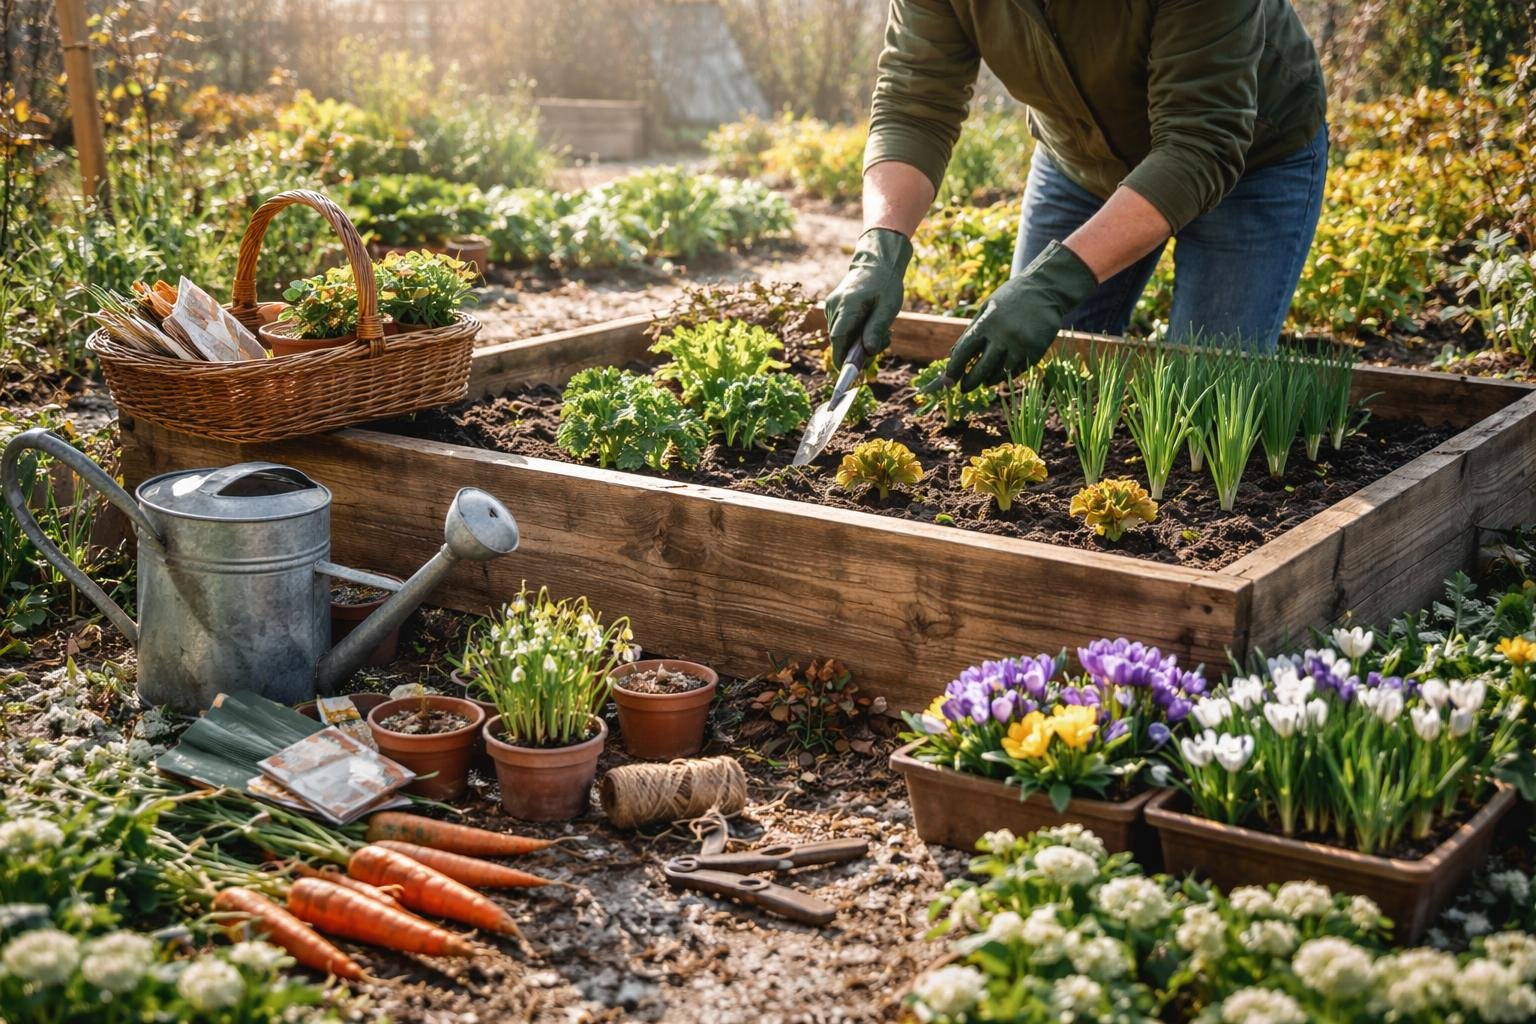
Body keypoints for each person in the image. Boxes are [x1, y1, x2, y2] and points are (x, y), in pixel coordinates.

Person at [824, 0, 1329, 391]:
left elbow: (1200, 144)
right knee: (1037, 378)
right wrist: (880, 248)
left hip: (1252, 161)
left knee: (1207, 401)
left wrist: (1053, 282)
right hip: (1079, 159)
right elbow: (913, 105)